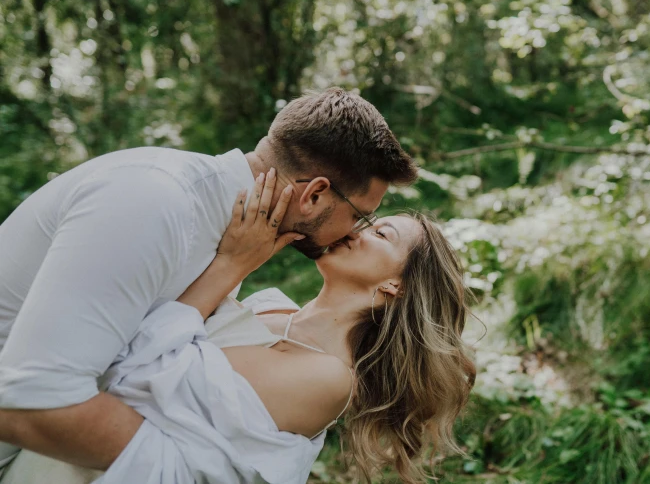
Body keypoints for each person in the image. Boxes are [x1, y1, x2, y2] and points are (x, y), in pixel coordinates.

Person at [0, 87, 418, 472]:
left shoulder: (217, 229)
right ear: (314, 195)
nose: (353, 233)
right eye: (360, 216)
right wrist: (210, 473)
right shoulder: (158, 203)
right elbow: (29, 404)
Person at [1, 173, 476, 484]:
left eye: (380, 234)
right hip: (46, 449)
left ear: (397, 285)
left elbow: (135, 377)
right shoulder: (272, 310)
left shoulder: (328, 377)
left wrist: (230, 265)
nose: (355, 231)